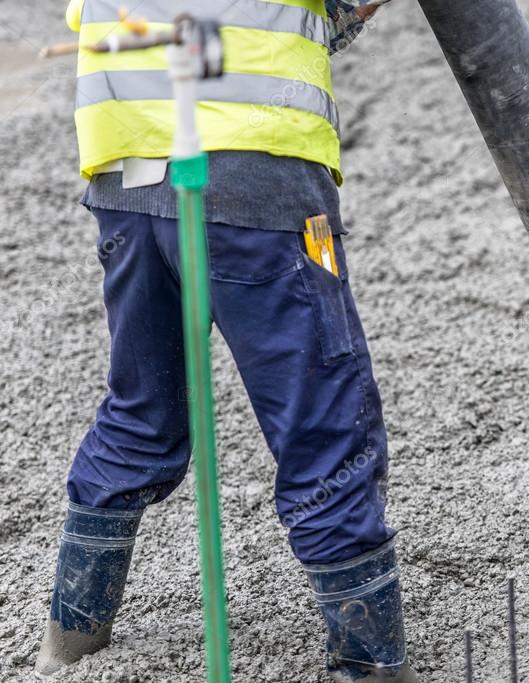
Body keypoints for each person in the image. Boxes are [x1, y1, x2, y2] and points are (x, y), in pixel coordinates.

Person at [35, 1, 417, 681]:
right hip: (253, 167)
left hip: (123, 165)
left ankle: (70, 638)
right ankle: (372, 661)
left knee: (141, 409)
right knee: (324, 420)